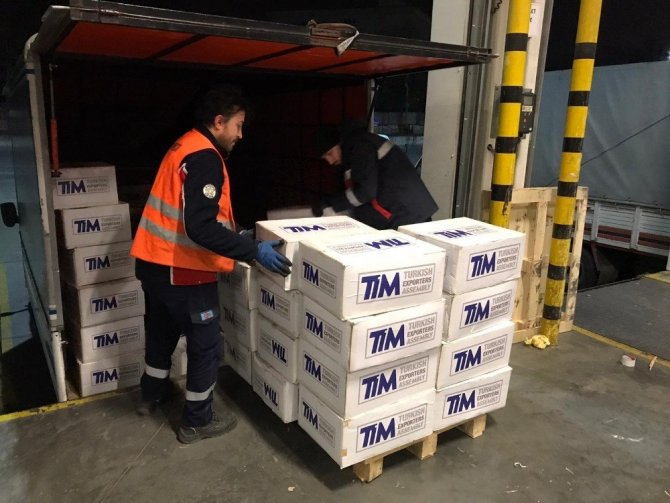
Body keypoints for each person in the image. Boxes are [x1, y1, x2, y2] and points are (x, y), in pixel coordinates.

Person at [130, 86, 291, 444]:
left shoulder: (184, 144)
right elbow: (199, 226)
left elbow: (198, 214)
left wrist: (239, 234)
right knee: (205, 345)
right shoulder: (205, 157)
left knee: (161, 330)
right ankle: (197, 421)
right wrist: (251, 250)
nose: (240, 135)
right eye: (238, 125)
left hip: (155, 262)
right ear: (219, 122)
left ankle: (152, 394)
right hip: (183, 269)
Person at [313, 119, 438, 229]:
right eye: (325, 158)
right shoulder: (355, 148)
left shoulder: (361, 148)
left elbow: (365, 192)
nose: (330, 161)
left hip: (407, 216)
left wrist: (333, 203)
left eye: (329, 153)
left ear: (340, 143)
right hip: (407, 213)